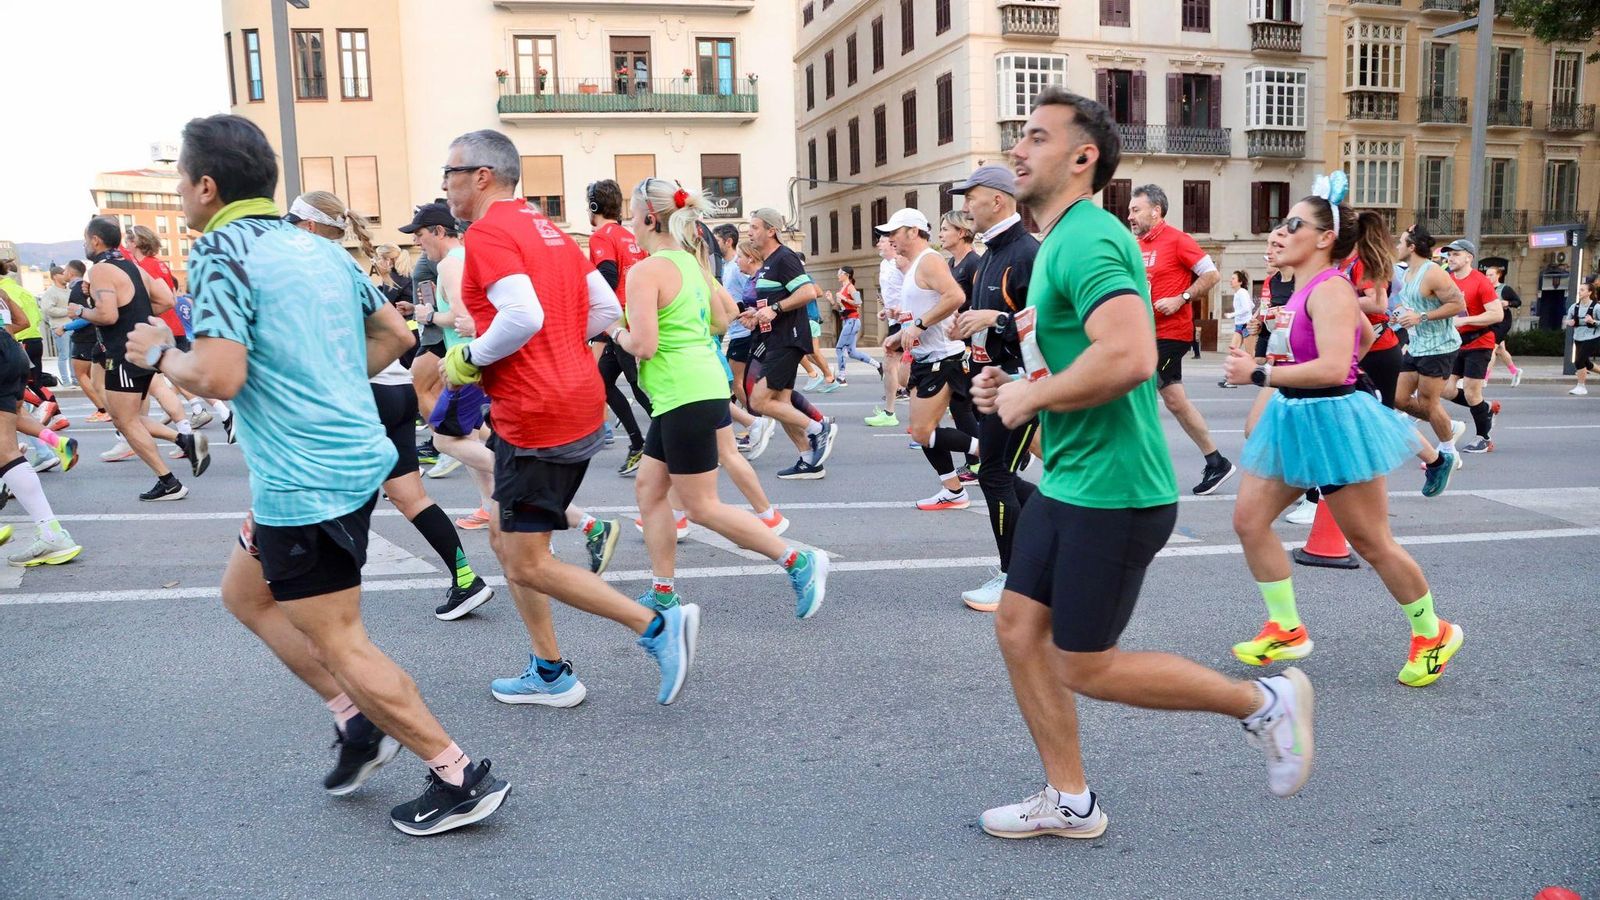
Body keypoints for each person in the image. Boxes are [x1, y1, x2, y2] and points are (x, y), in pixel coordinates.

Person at [127, 113, 510, 836]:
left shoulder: (218, 256)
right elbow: (396, 336)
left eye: (180, 180)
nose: (179, 193)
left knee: (341, 638)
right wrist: (326, 381)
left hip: (306, 479)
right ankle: (356, 721)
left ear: (207, 186)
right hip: (341, 461)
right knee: (245, 594)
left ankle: (457, 774)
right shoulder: (318, 251)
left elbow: (217, 373)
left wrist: (158, 354)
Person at [970, 89, 1312, 841]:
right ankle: (1070, 800)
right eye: (1015, 137)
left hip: (1115, 490)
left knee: (1085, 664)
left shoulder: (1088, 237)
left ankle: (1264, 704)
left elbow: (1128, 356)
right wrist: (1015, 384)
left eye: (1034, 138)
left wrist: (1030, 400)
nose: (1016, 151)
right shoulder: (1059, 241)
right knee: (1020, 630)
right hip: (1069, 479)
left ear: (1083, 157)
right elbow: (1069, 355)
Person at [435, 129, 696, 709]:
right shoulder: (549, 229)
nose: (446, 184)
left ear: (482, 176)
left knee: (528, 560)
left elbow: (522, 314)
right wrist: (550, 348)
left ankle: (654, 627)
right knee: (510, 541)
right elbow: (603, 308)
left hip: (536, 413)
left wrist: (472, 357)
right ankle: (548, 670)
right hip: (572, 400)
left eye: (450, 173)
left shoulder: (487, 233)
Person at [1223, 177, 1464, 689]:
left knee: (1372, 542)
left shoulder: (1330, 288)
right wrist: (1274, 373)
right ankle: (1285, 627)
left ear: (1324, 238)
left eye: (1293, 224)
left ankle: (1433, 633)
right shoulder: (1308, 288)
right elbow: (1367, 333)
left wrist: (1262, 375)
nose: (1280, 232)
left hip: (1333, 421)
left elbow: (1334, 368)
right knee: (1249, 520)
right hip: (1295, 417)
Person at [611, 177, 828, 619]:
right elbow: (720, 320)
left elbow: (643, 346)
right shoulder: (692, 265)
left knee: (701, 506)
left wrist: (610, 329)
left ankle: (797, 559)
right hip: (700, 385)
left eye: (632, 216)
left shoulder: (646, 270)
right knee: (650, 491)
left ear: (650, 218)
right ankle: (664, 591)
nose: (629, 224)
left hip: (682, 392)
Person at [293, 192, 495, 621]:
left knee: (323, 492)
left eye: (291, 223)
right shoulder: (344, 263)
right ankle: (466, 580)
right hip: (396, 388)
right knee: (409, 496)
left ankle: (323, 598)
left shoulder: (312, 265)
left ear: (308, 227)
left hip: (365, 391)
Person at [948, 163, 1040, 612]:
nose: (965, 205)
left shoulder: (1025, 252)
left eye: (972, 196)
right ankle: (1053, 535)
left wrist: (995, 320)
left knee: (994, 474)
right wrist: (966, 328)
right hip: (992, 382)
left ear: (999, 200)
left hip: (1021, 384)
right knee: (998, 472)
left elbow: (1048, 327)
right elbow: (992, 322)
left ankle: (1014, 580)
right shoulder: (990, 254)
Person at [71, 217, 209, 500]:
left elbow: (107, 315)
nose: (85, 244)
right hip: (143, 348)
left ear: (96, 240)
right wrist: (135, 316)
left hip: (123, 353)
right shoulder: (131, 266)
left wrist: (80, 311)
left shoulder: (100, 270)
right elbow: (167, 300)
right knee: (129, 417)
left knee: (124, 421)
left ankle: (169, 481)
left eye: (86, 239)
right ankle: (185, 440)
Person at [1126, 185, 1236, 495]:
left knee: (1134, 394)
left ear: (1155, 211)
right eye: (1130, 210)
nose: (1129, 215)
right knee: (1175, 401)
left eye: (1136, 210)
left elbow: (1211, 275)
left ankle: (1141, 474)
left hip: (1170, 334)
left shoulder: (1178, 240)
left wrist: (1181, 297)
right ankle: (1217, 461)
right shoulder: (1136, 245)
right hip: (1143, 333)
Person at [880, 207, 978, 511]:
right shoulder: (914, 267)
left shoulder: (930, 261)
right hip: (926, 358)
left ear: (912, 231)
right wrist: (900, 335)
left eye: (894, 232)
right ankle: (953, 490)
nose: (890, 238)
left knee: (922, 431)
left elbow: (956, 297)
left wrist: (919, 325)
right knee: (924, 431)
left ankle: (989, 451)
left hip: (942, 358)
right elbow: (920, 313)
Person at [745, 208, 837, 480]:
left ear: (771, 230)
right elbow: (773, 299)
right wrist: (756, 314)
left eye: (754, 227)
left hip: (788, 339)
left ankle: (819, 428)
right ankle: (809, 460)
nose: (749, 232)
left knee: (759, 400)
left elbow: (808, 292)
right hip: (775, 337)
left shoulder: (785, 257)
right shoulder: (768, 261)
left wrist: (774, 308)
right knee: (781, 403)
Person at [0, 284, 81, 566]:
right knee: (8, 434)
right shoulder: (2, 291)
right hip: (11, 352)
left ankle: (51, 534)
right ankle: (54, 442)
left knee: (5, 450)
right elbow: (21, 322)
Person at [586, 179, 653, 477]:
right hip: (632, 314)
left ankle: (674, 443)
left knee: (641, 387)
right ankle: (638, 443)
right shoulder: (630, 235)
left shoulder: (602, 236)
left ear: (593, 206)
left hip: (618, 320)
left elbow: (608, 277)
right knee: (601, 383)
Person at [1392, 225, 1467, 463]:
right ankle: (1449, 425)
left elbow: (1457, 305)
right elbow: (1417, 305)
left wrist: (1421, 317)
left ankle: (1448, 451)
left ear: (1412, 247)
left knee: (1428, 403)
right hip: (1417, 345)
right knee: (1398, 398)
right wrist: (1401, 315)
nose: (1397, 246)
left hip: (1440, 347)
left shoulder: (1432, 272)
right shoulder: (1406, 274)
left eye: (1401, 242)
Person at [1435, 240, 1502, 454]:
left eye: (1455, 254)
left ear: (1468, 257)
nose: (1450, 258)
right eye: (1449, 255)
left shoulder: (1480, 281)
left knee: (1473, 392)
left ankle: (1484, 438)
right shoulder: (1447, 280)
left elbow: (1497, 314)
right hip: (1456, 343)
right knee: (1445, 389)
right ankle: (1486, 408)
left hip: (1479, 342)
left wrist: (1464, 321)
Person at [58, 261, 110, 419]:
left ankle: (103, 409)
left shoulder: (77, 290)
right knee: (95, 377)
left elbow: (87, 315)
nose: (64, 273)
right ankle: (106, 408)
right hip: (94, 337)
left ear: (71, 272)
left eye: (65, 270)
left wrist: (65, 327)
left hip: (84, 338)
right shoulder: (86, 286)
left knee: (81, 375)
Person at [866, 235, 908, 428]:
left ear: (892, 244)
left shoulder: (903, 262)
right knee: (891, 363)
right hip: (895, 319)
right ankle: (890, 412)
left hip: (909, 319)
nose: (877, 245)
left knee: (898, 364)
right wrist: (887, 309)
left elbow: (914, 288)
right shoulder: (884, 265)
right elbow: (892, 292)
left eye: (881, 241)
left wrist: (900, 306)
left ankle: (892, 411)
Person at [829, 266, 878, 383]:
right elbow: (839, 308)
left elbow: (859, 303)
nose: (838, 275)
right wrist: (831, 300)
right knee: (852, 353)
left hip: (852, 321)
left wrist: (844, 298)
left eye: (839, 273)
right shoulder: (842, 288)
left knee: (840, 348)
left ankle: (842, 377)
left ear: (846, 275)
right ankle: (878, 365)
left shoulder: (850, 287)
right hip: (846, 321)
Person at [1486, 265, 1522, 386]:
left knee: (1491, 348)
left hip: (1502, 321)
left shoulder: (1504, 289)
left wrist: (1508, 302)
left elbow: (1518, 302)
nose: (1488, 277)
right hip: (1489, 320)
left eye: (1491, 275)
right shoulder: (1485, 288)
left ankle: (1484, 378)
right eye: (1486, 274)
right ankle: (1515, 371)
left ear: (1498, 275)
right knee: (1501, 350)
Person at [40, 267, 75, 387]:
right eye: (62, 273)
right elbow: (48, 309)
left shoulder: (69, 291)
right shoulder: (51, 293)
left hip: (72, 326)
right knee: (64, 354)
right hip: (59, 327)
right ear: (55, 276)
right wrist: (68, 311)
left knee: (73, 354)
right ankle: (66, 381)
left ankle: (75, 379)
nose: (65, 275)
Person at [1566, 274, 1599, 396]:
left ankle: (1581, 387)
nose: (1579, 292)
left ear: (1589, 292)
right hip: (1578, 337)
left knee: (1579, 361)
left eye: (1582, 290)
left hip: (1593, 337)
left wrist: (1593, 321)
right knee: (1587, 363)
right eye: (1579, 289)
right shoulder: (1574, 307)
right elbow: (1567, 320)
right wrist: (1569, 322)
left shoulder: (1596, 307)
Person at [1221, 270, 1252, 383]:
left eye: (1233, 278)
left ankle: (1253, 375)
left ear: (1240, 282)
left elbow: (1247, 308)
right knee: (1233, 349)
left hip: (1246, 325)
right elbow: (1251, 305)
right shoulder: (1238, 293)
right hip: (1240, 325)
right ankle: (1230, 378)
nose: (1231, 280)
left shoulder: (1242, 292)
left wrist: (1231, 314)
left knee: (1250, 353)